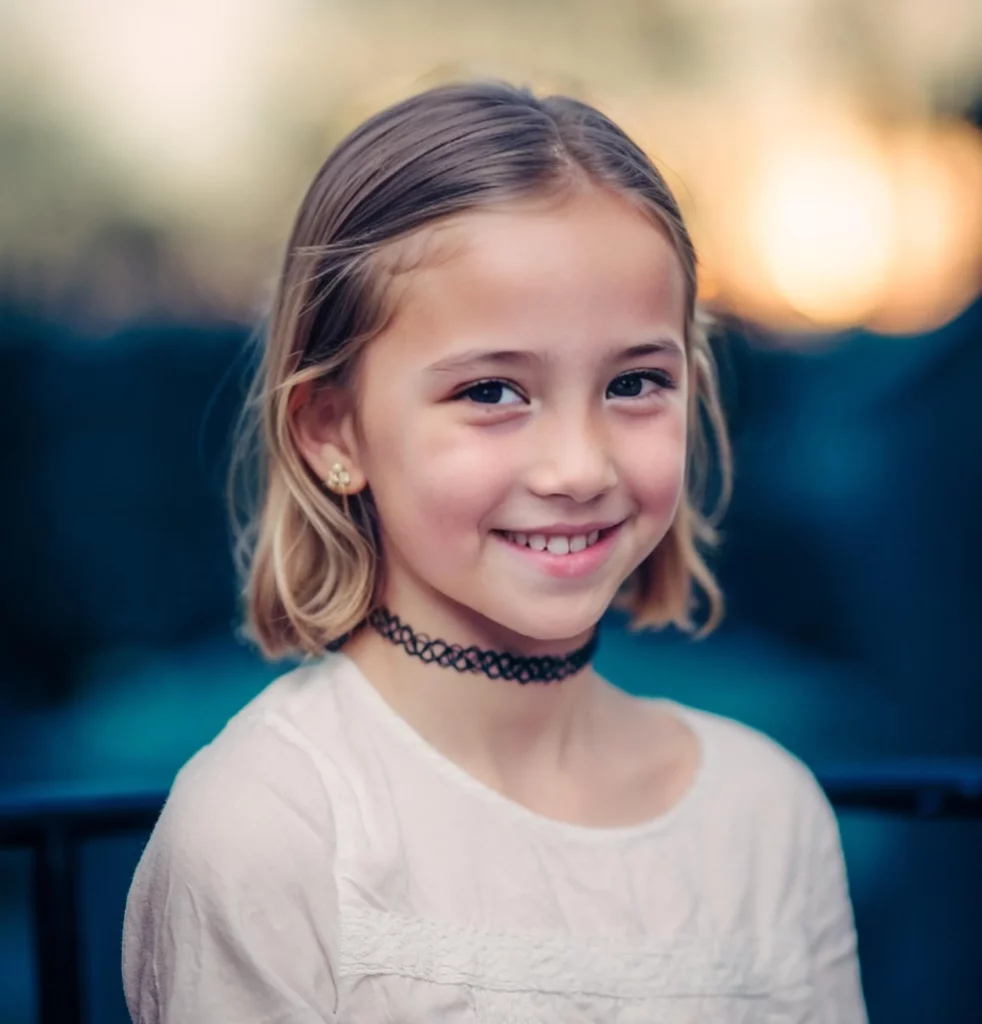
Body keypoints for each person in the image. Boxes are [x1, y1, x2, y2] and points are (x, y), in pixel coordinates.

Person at [121, 81, 868, 1023]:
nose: (578, 465)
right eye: (491, 393)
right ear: (330, 431)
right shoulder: (269, 829)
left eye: (636, 381)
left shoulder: (768, 813)